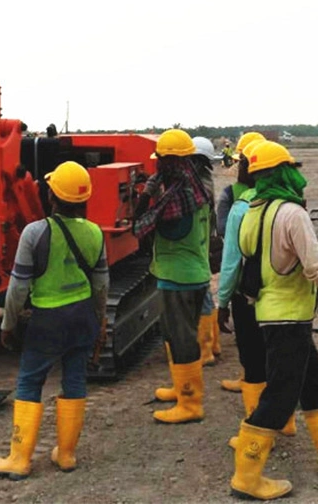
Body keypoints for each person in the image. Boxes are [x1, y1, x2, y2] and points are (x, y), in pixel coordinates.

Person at [231, 141, 318, 500]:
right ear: (282, 172)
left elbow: (249, 266)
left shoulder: (251, 212)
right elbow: (317, 267)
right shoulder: (292, 214)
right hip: (288, 319)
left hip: (272, 315)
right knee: (279, 397)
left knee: (314, 384)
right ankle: (246, 478)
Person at [0, 161, 109, 480]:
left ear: (53, 196)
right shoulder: (95, 233)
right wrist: (100, 323)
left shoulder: (35, 232)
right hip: (83, 316)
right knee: (74, 379)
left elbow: (18, 287)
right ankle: (66, 455)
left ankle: (19, 459)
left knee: (30, 381)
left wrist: (8, 324)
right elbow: (101, 285)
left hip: (48, 321)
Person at [217, 137, 297, 444]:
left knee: (253, 363)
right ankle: (286, 421)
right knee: (279, 362)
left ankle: (257, 433)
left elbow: (231, 260)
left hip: (248, 296)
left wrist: (222, 301)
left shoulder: (239, 206)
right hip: (284, 297)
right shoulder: (291, 201)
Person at [133, 128, 211, 424]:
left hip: (179, 279)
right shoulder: (197, 189)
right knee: (177, 335)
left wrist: (147, 195)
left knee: (181, 339)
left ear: (167, 163)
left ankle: (191, 404)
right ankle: (182, 388)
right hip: (194, 273)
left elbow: (142, 224)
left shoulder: (176, 201)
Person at [214, 130, 264, 392]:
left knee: (250, 342)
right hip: (278, 286)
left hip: (246, 285)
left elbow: (229, 251)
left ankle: (252, 385)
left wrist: (223, 301)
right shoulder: (288, 196)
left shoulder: (234, 198)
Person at [192, 136, 222, 366]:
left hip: (199, 238)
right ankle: (213, 344)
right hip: (205, 237)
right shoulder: (206, 178)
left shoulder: (198, 183)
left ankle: (205, 350)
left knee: (201, 289)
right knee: (205, 290)